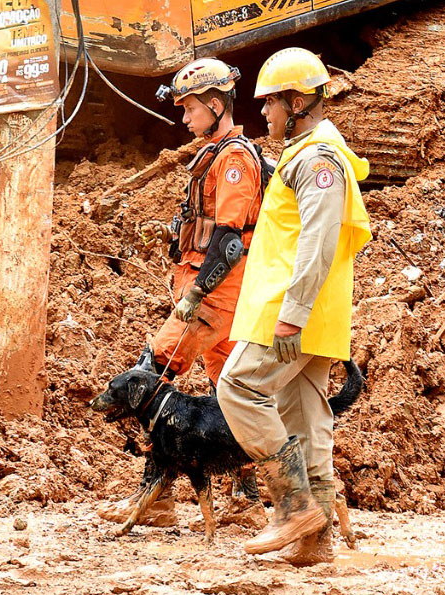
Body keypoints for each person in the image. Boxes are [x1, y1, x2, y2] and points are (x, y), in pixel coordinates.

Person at [216, 47, 371, 565]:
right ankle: (315, 540)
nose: (264, 112)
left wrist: (292, 312)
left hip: (293, 310)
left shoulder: (316, 160)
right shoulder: (313, 153)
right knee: (305, 417)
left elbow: (319, 239)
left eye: (271, 102)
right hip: (316, 315)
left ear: (298, 101)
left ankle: (293, 505)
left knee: (238, 387)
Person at [99, 58, 265, 528]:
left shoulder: (233, 159)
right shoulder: (215, 153)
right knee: (232, 394)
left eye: (191, 108)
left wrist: (196, 293)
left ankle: (159, 498)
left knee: (150, 377)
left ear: (216, 105)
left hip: (213, 298)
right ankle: (247, 501)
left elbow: (229, 239)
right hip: (223, 297)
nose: (185, 118)